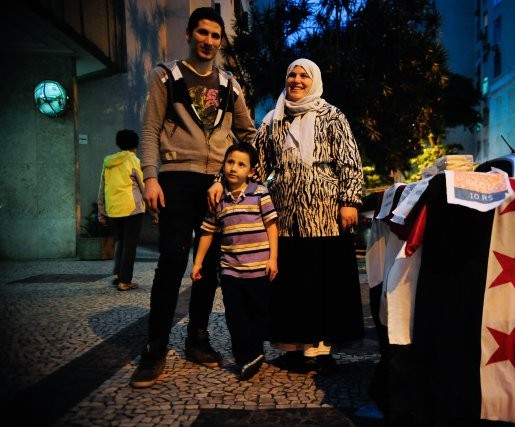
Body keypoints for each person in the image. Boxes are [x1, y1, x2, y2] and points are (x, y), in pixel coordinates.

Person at [131, 7, 256, 388]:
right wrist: (151, 178)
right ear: (189, 34)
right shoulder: (165, 76)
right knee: (171, 260)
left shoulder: (230, 84)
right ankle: (155, 348)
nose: (209, 41)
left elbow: (248, 135)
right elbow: (150, 130)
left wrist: (230, 175)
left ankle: (197, 338)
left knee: (209, 266)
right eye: (202, 33)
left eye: (216, 36)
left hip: (216, 184)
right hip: (175, 179)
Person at [253, 58, 365, 374]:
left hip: (326, 212)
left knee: (323, 279)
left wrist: (350, 200)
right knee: (291, 282)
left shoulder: (332, 116)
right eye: (292, 74)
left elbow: (350, 160)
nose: (297, 80)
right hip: (285, 214)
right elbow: (257, 164)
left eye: (304, 75)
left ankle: (322, 349)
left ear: (313, 80)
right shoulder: (271, 120)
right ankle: (292, 347)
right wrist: (228, 184)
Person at [191, 143, 278, 381]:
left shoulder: (260, 192)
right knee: (235, 316)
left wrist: (273, 259)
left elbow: (272, 226)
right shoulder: (218, 199)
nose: (234, 168)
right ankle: (246, 357)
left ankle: (255, 352)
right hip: (230, 271)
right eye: (230, 162)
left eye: (241, 164)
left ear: (250, 171)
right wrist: (198, 262)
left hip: (259, 269)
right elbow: (207, 232)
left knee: (259, 314)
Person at [97, 129, 154, 292]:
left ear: (118, 144)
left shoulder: (108, 163)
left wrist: (102, 211)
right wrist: (154, 212)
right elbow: (144, 188)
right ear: (135, 145)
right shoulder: (134, 161)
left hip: (113, 210)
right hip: (132, 210)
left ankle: (118, 275)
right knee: (130, 245)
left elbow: (102, 187)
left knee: (120, 242)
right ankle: (125, 281)